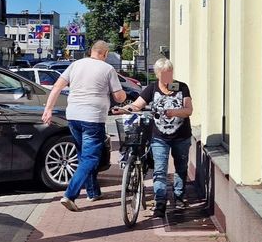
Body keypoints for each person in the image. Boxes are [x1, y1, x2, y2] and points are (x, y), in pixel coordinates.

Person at [42, 40, 126, 211]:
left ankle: (93, 192)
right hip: (93, 118)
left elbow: (57, 86)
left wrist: (48, 109)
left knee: (84, 156)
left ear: (92, 51)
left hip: (73, 116)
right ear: (105, 53)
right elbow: (119, 97)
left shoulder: (75, 65)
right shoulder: (107, 69)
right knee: (90, 158)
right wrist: (123, 94)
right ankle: (69, 195)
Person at [114, 57, 193, 218]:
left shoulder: (181, 87)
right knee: (159, 170)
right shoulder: (152, 89)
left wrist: (174, 112)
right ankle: (160, 203)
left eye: (169, 74)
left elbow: (188, 110)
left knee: (181, 168)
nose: (166, 79)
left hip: (181, 135)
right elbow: (137, 105)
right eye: (163, 75)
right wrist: (124, 109)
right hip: (159, 137)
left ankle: (179, 196)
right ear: (157, 74)